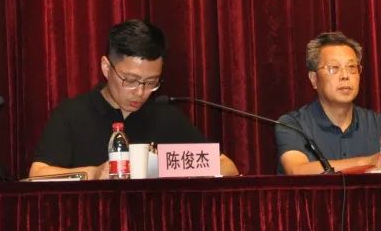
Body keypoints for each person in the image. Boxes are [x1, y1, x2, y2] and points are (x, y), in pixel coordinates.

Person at [29, 19, 238, 179]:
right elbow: (38, 173)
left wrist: (170, 167)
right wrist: (93, 173)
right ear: (106, 67)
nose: (140, 92)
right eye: (130, 80)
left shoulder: (166, 117)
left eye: (151, 82)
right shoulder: (72, 114)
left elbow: (228, 166)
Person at [275, 31, 381, 175]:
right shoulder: (293, 125)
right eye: (334, 68)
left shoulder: (379, 125)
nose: (345, 76)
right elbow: (297, 170)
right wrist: (368, 162)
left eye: (351, 67)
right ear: (314, 79)